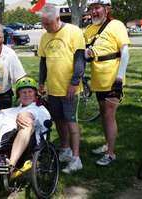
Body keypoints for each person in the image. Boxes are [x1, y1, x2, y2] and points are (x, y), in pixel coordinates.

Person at [38, 3, 85, 174]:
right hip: (53, 88)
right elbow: (43, 62)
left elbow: (80, 60)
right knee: (58, 120)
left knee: (71, 123)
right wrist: (41, 82)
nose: (45, 27)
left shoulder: (74, 32)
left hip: (69, 88)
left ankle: (76, 158)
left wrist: (74, 82)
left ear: (57, 18)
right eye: (43, 23)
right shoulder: (44, 37)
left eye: (47, 24)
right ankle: (65, 150)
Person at [84, 0, 130, 166]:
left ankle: (111, 154)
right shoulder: (89, 29)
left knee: (109, 115)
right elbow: (85, 52)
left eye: (97, 8)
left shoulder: (116, 25)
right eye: (91, 9)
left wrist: (120, 77)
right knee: (103, 114)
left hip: (113, 79)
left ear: (106, 8)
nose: (93, 12)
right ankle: (107, 144)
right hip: (98, 80)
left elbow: (125, 51)